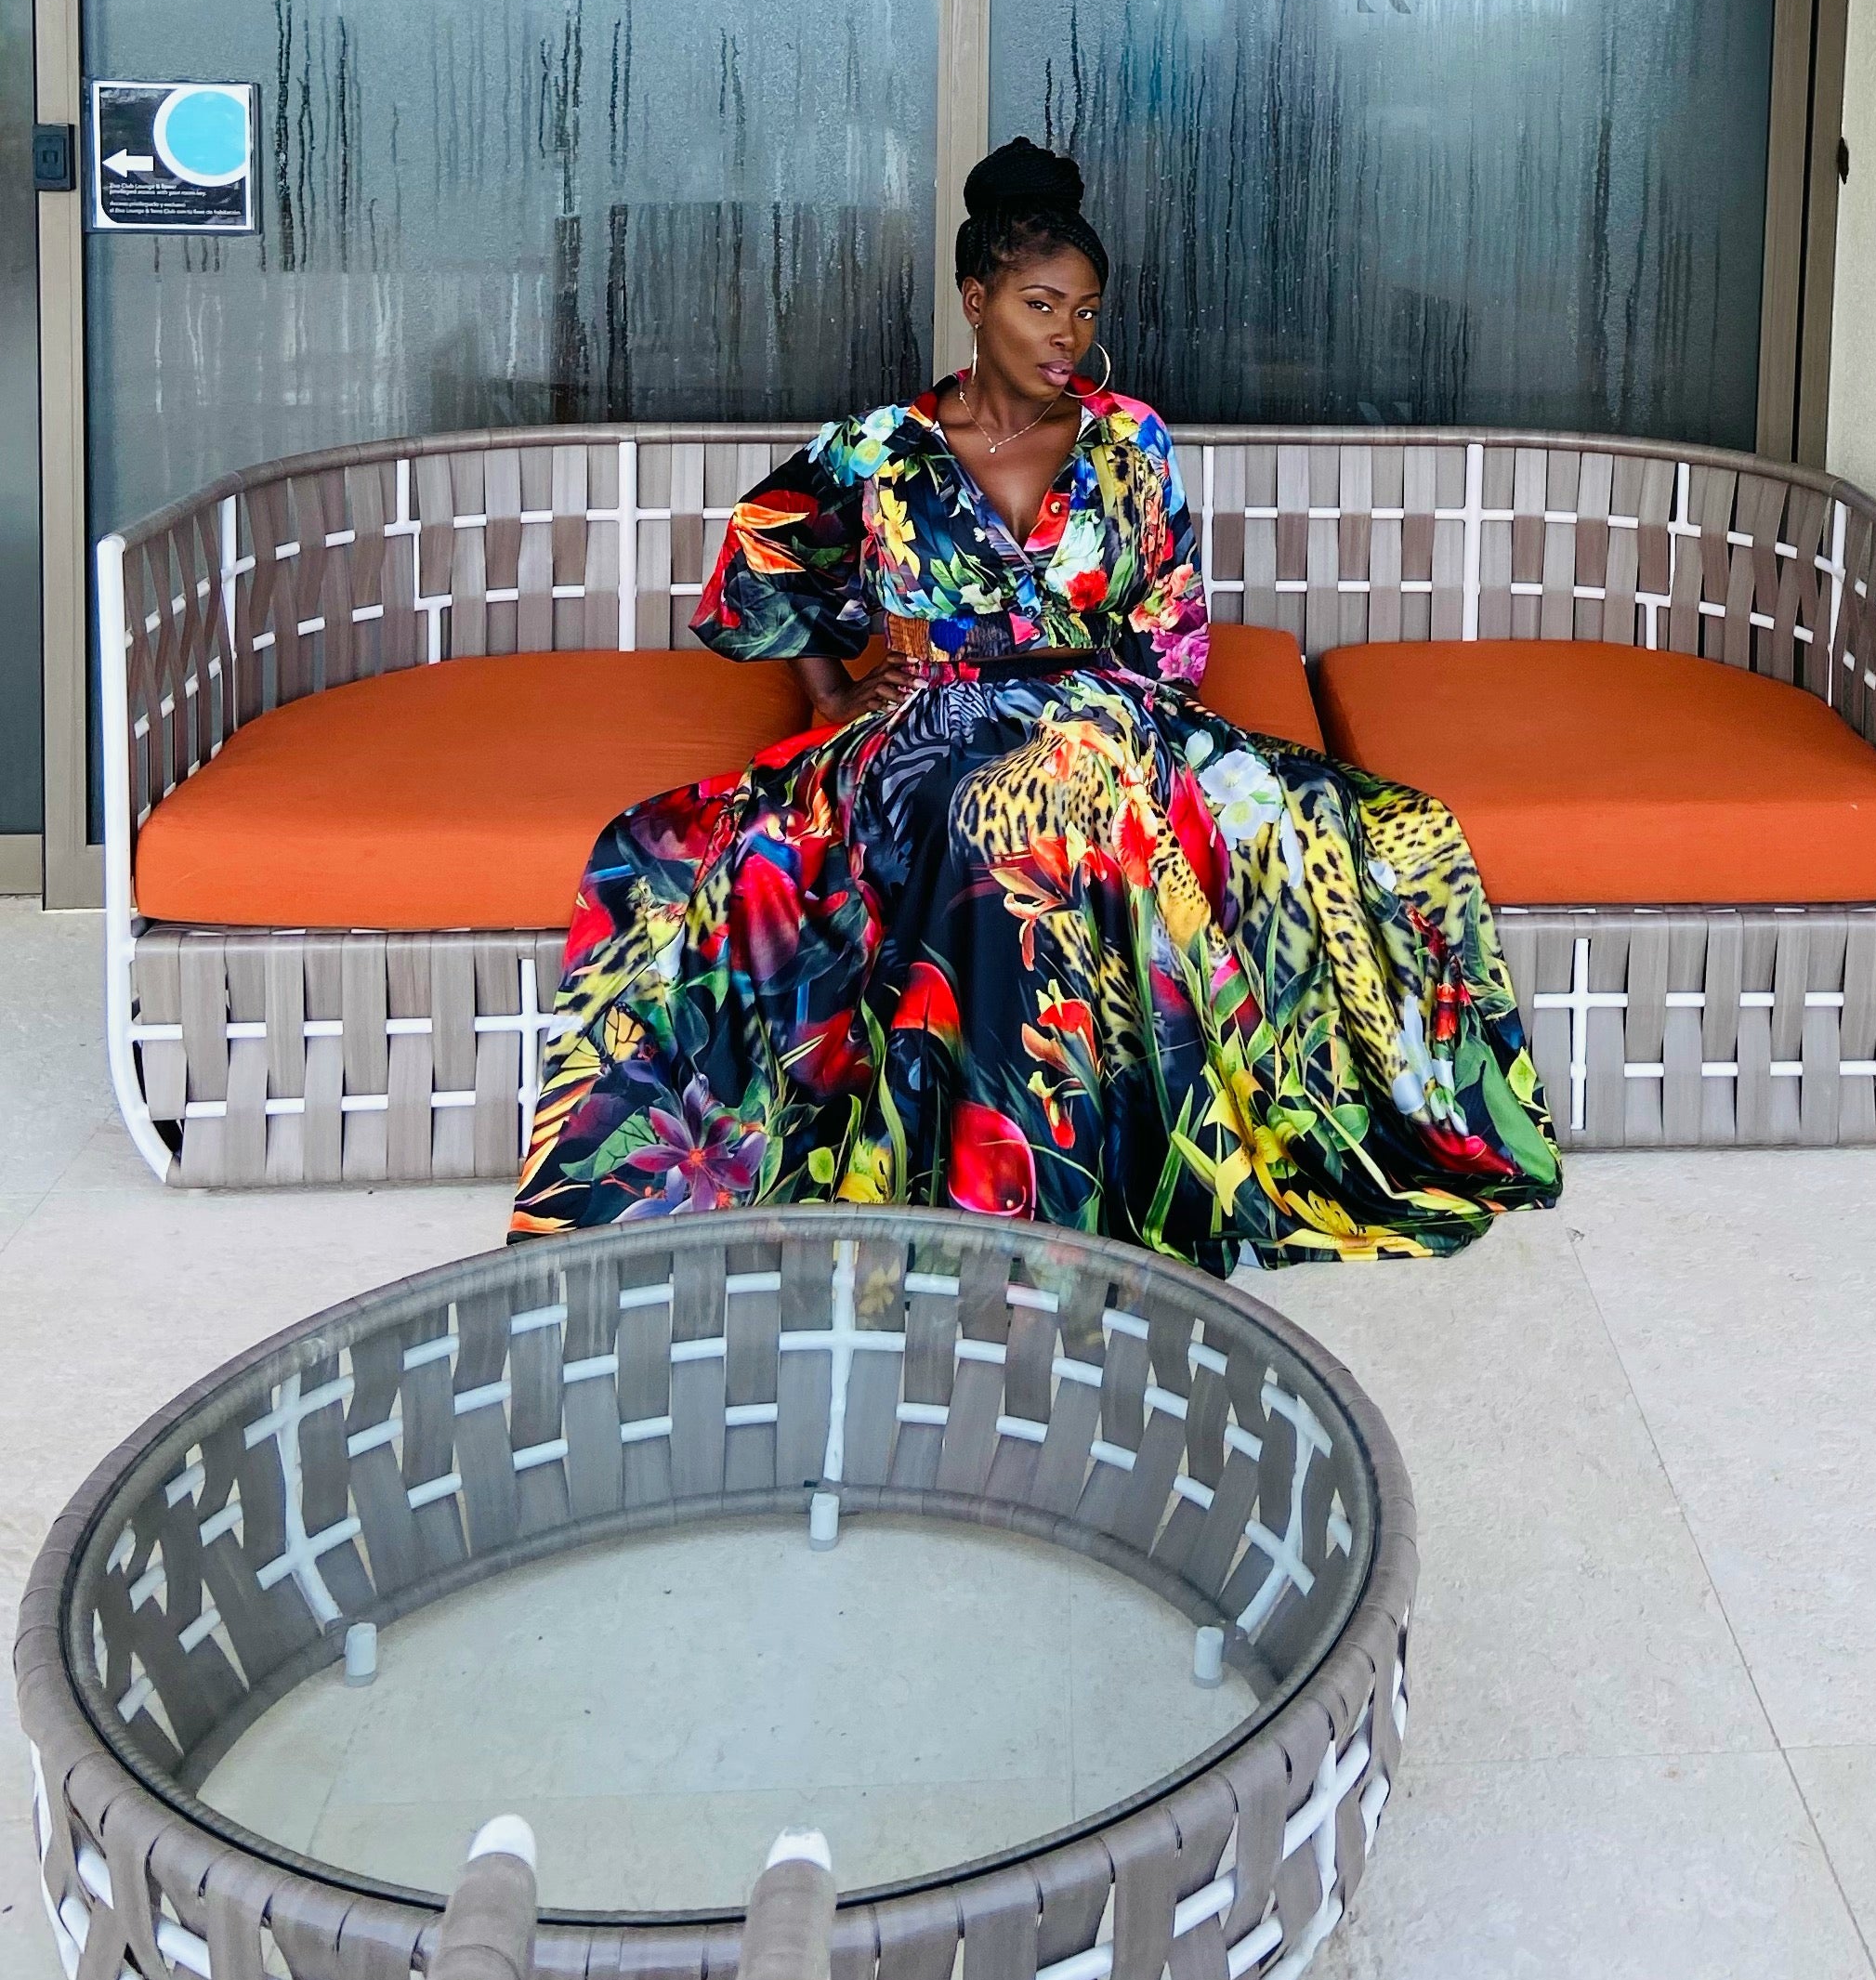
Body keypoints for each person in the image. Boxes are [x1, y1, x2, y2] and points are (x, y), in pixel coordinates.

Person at [511, 139, 1559, 1266]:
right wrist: (838, 689)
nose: (1066, 334)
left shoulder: (1129, 438)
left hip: (1097, 715)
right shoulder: (881, 448)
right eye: (1039, 304)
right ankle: (1001, 1198)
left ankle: (1062, 1191)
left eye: (1084, 310)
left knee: (1326, 825)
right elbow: (763, 547)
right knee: (940, 833)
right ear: (976, 302)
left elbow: (1169, 627)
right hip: (927, 726)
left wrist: (1098, 715)